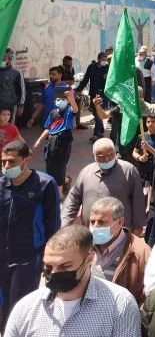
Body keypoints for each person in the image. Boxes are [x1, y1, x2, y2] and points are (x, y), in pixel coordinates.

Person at [5, 225, 140, 337]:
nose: (54, 273)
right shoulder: (25, 308)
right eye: (48, 266)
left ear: (89, 259)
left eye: (65, 266)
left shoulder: (119, 304)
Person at [0, 140, 61, 328]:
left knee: (20, 307)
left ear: (26, 160)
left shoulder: (45, 184)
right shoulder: (1, 184)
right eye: (3, 162)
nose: (6, 166)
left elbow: (53, 224)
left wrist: (49, 258)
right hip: (2, 256)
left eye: (11, 161)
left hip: (28, 258)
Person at [60, 138, 146, 233]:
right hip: (90, 233)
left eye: (110, 155)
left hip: (119, 234)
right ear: (94, 156)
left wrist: (138, 228)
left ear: (115, 152)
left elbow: (138, 200)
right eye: (101, 156)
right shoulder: (86, 172)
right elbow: (73, 198)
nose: (107, 159)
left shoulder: (129, 171)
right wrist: (64, 224)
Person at [88, 196, 150, 306]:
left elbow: (146, 297)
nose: (95, 227)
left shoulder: (141, 252)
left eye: (102, 222)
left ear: (120, 222)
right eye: (92, 222)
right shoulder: (83, 248)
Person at [32, 87, 78, 197]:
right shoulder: (53, 113)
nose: (59, 101)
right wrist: (39, 140)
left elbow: (75, 109)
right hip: (51, 141)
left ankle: (60, 194)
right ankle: (66, 180)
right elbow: (48, 128)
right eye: (57, 99)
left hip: (63, 141)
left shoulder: (68, 111)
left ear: (67, 100)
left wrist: (71, 99)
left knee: (60, 166)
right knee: (50, 165)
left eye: (62, 99)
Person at [76, 51, 110, 141]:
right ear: (98, 59)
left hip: (103, 94)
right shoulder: (91, 67)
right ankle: (101, 130)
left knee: (99, 113)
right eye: (103, 59)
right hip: (93, 94)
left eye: (106, 60)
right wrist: (78, 90)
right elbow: (85, 80)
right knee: (95, 113)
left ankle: (96, 134)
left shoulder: (108, 68)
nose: (105, 61)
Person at [0, 50, 24, 124]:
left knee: (9, 127)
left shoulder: (16, 72)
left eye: (6, 57)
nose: (4, 59)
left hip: (10, 105)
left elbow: (21, 90)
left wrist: (21, 105)